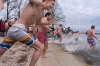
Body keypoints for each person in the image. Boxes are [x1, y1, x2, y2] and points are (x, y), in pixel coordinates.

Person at [0, 0, 55, 66]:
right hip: (18, 30)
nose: (52, 6)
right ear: (47, 1)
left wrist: (48, 23)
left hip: (15, 30)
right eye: (52, 4)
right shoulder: (38, 3)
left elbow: (38, 23)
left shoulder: (41, 12)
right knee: (40, 47)